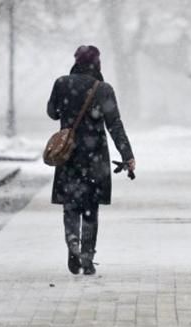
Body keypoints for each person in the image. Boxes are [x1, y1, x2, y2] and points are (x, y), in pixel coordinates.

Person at [47, 45, 135, 275]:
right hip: (95, 156)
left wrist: (67, 109)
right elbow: (114, 124)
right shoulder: (103, 89)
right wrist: (127, 155)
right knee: (90, 207)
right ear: (96, 64)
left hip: (69, 154)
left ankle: (72, 243)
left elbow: (52, 112)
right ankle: (87, 256)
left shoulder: (62, 83)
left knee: (70, 205)